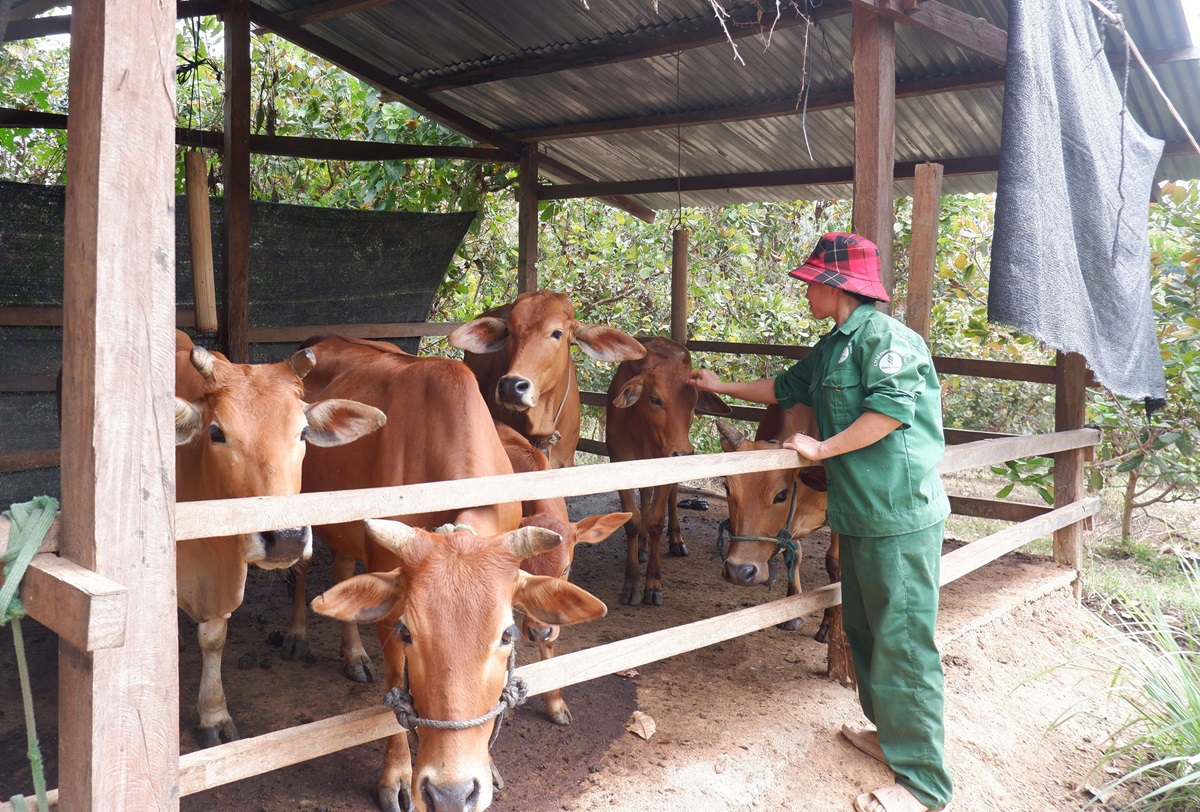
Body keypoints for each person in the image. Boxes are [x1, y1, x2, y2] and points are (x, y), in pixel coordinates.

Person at [690, 232, 953, 812]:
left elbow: (887, 414)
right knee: (863, 633)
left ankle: (924, 787)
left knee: (904, 643)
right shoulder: (834, 346)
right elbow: (783, 387)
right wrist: (718, 386)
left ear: (836, 284)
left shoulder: (888, 341)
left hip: (898, 515)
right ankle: (892, 740)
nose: (804, 289)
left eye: (810, 280)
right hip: (858, 514)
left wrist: (822, 447)